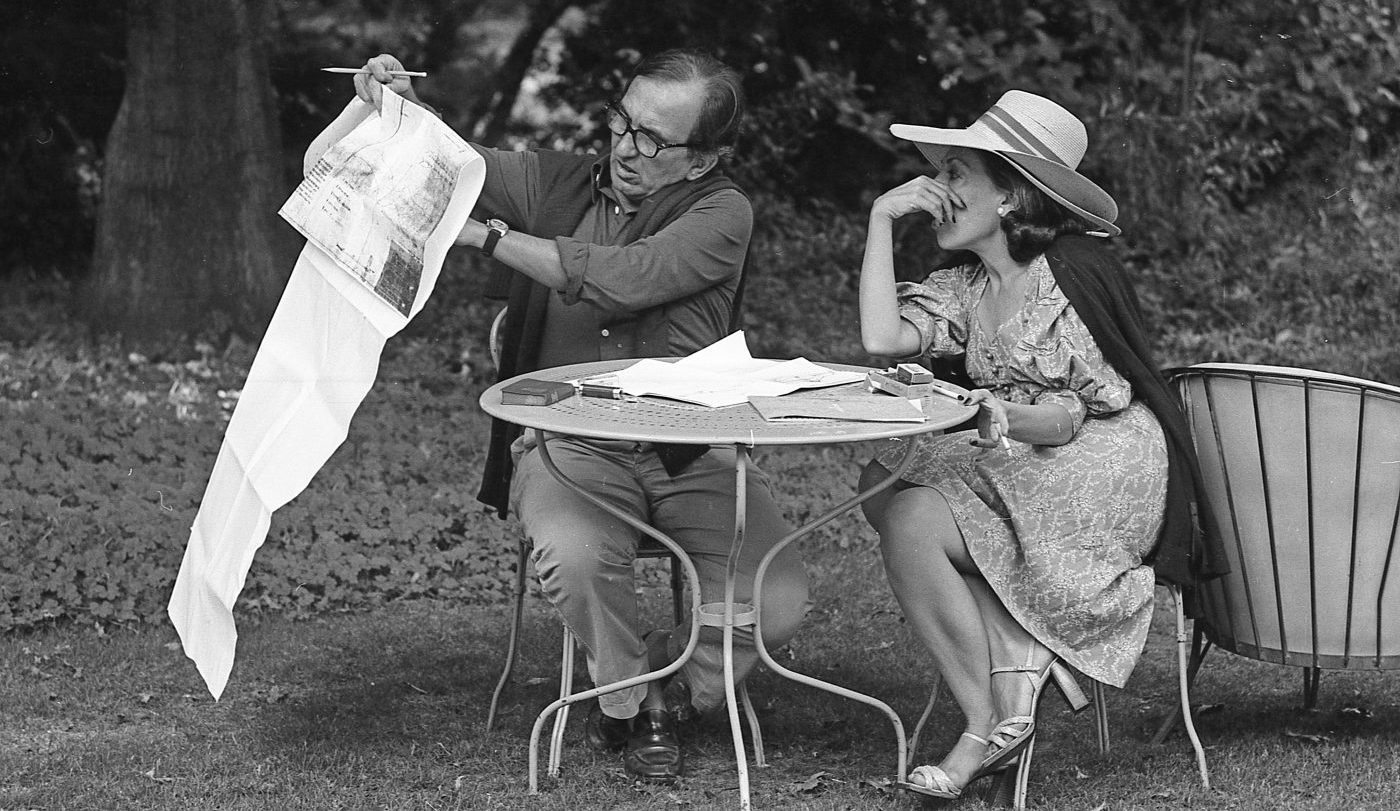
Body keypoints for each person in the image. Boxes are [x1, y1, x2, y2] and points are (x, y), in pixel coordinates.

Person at [350, 51, 810, 783]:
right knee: (575, 556)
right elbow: (456, 160)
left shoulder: (723, 210)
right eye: (624, 123)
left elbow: (626, 281)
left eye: (656, 140)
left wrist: (487, 238)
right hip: (569, 447)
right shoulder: (557, 180)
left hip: (690, 448)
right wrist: (399, 106)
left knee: (778, 595)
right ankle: (629, 703)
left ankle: (672, 684)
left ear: (705, 159)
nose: (628, 147)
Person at [855, 91, 1225, 799]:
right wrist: (880, 218)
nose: (940, 190)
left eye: (960, 174)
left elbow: (1068, 415)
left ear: (1011, 200)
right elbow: (881, 340)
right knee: (882, 478)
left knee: (911, 517)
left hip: (1102, 458)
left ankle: (979, 723)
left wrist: (1001, 414)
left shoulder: (1071, 277)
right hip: (1027, 444)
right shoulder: (965, 288)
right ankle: (1017, 669)